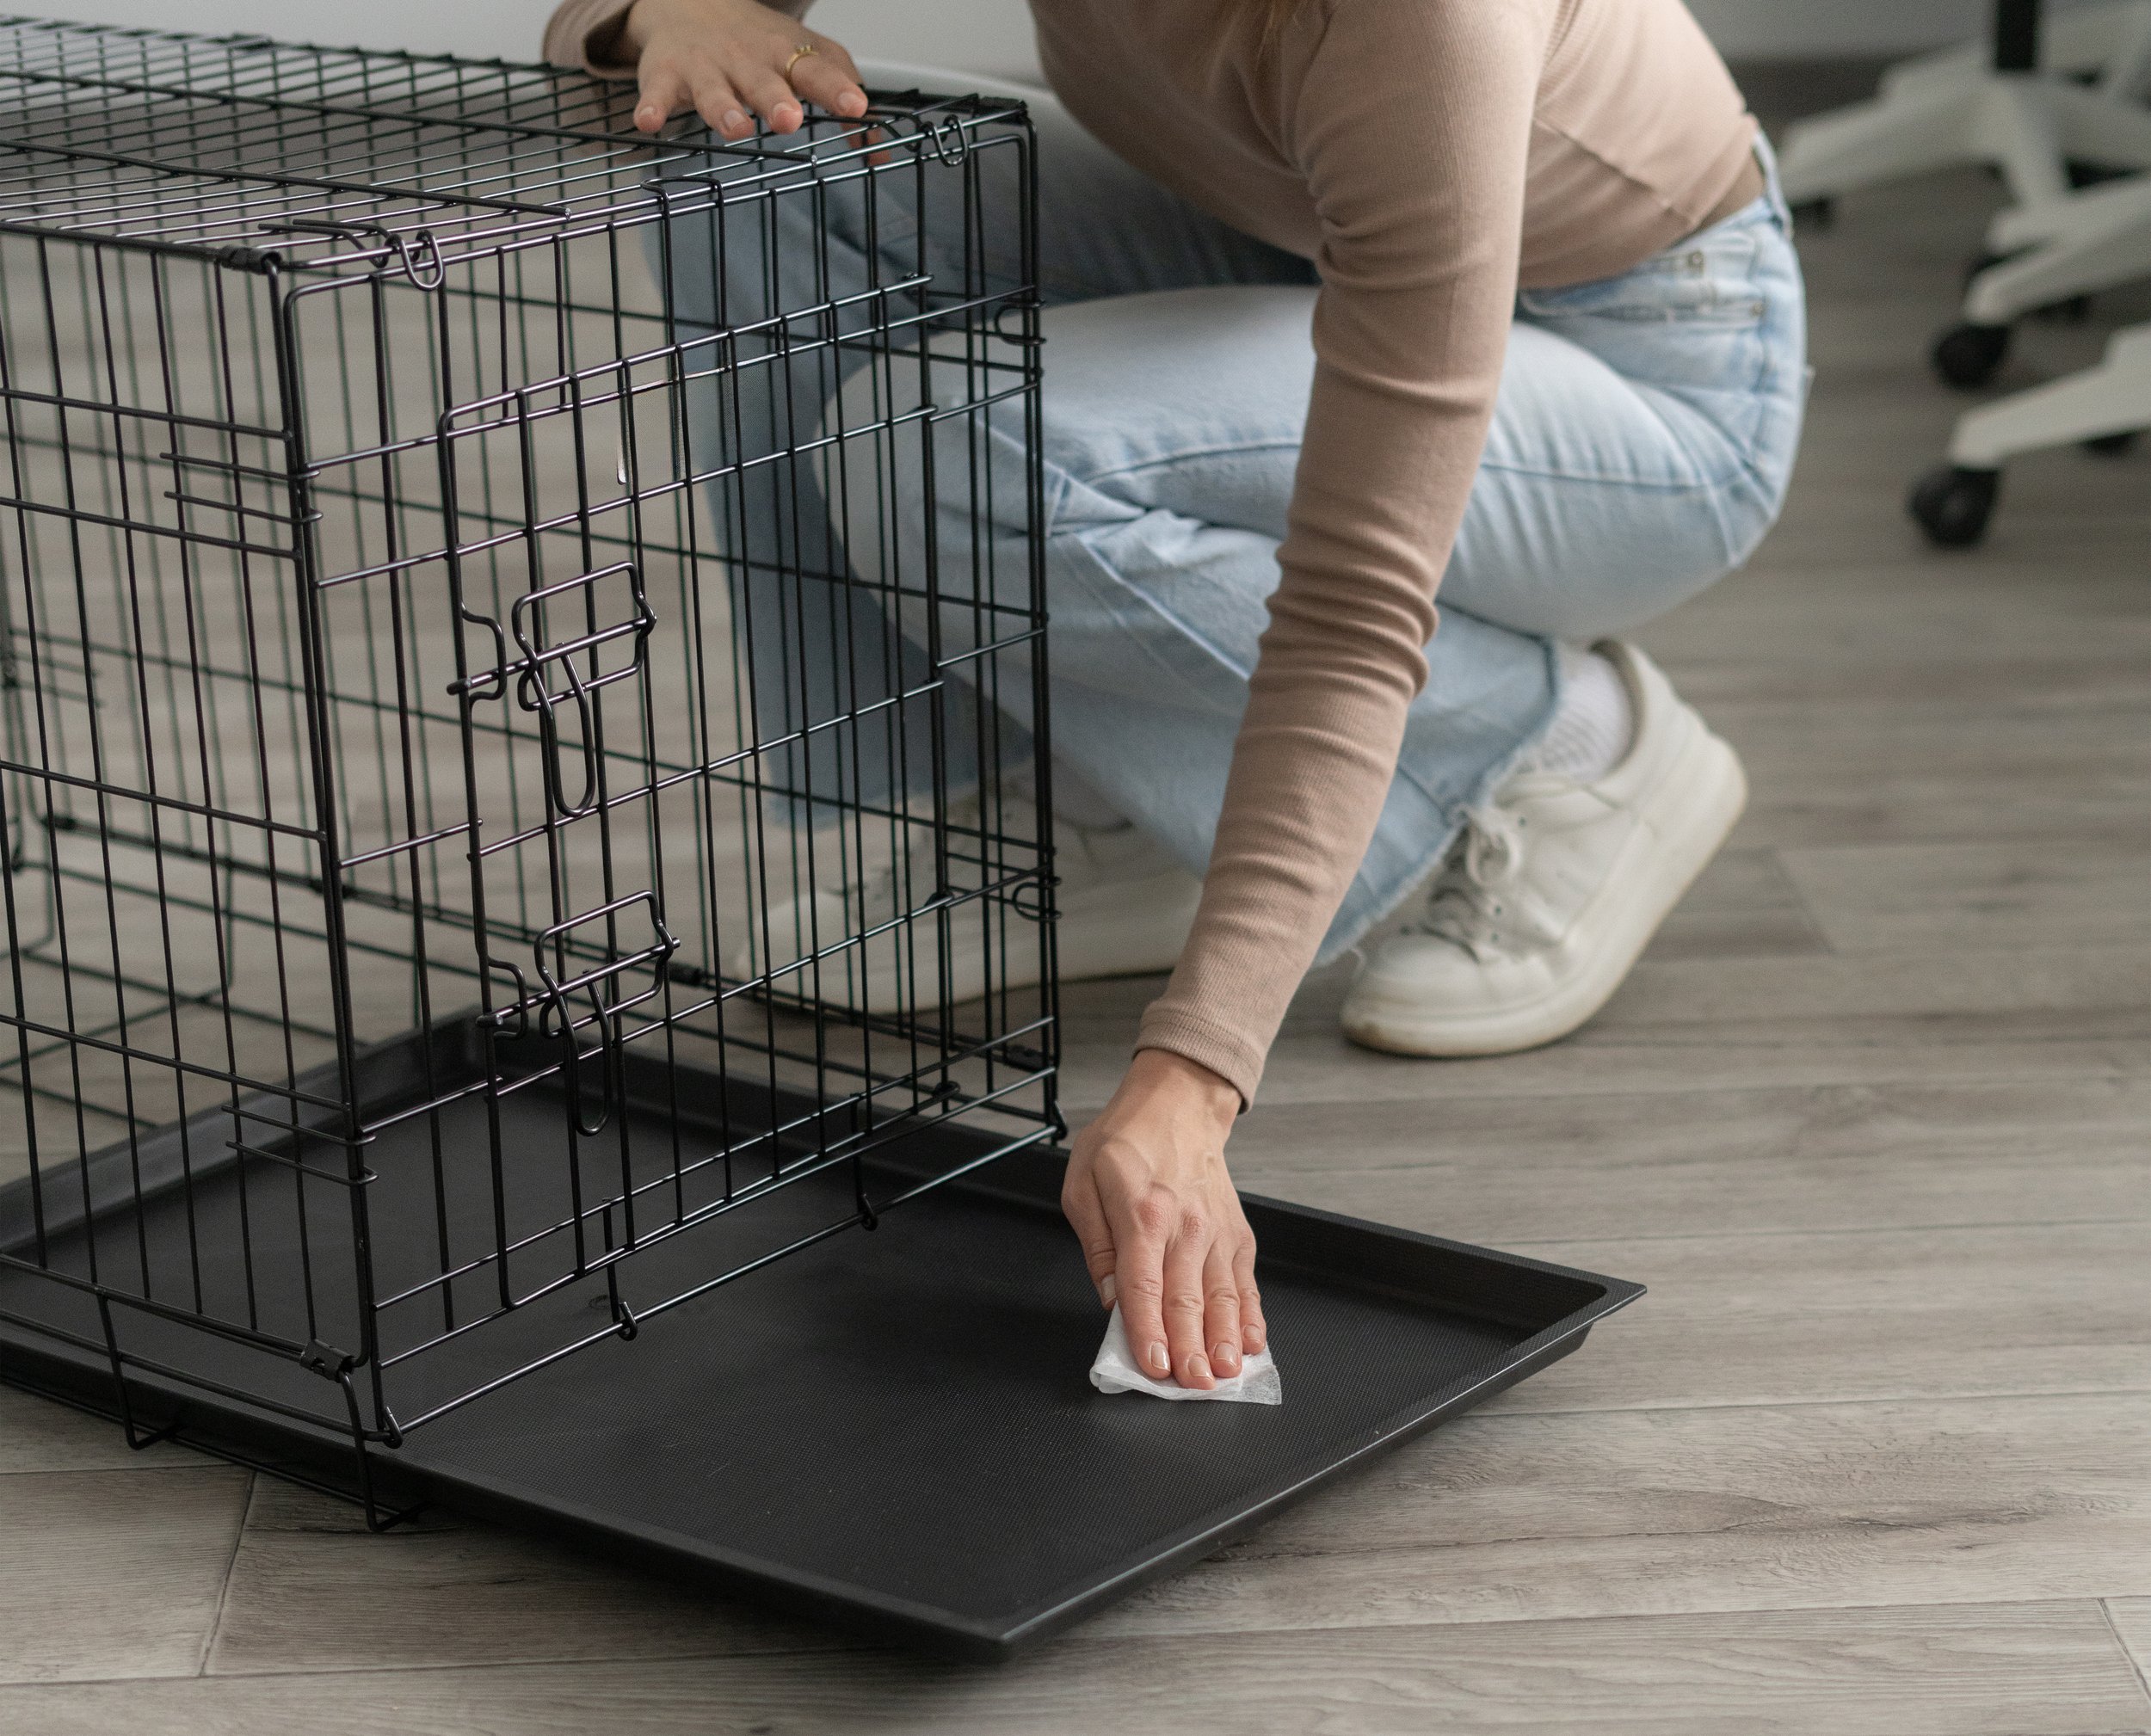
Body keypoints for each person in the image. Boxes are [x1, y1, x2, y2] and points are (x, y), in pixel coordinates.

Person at [544, 0, 1807, 1390]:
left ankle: (1565, 743)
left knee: (960, 447)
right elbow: (604, 57)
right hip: (1301, 229)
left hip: (1650, 367)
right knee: (760, 165)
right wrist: (657, 16)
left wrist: (1196, 1079)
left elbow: (1353, 599)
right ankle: (1083, 801)